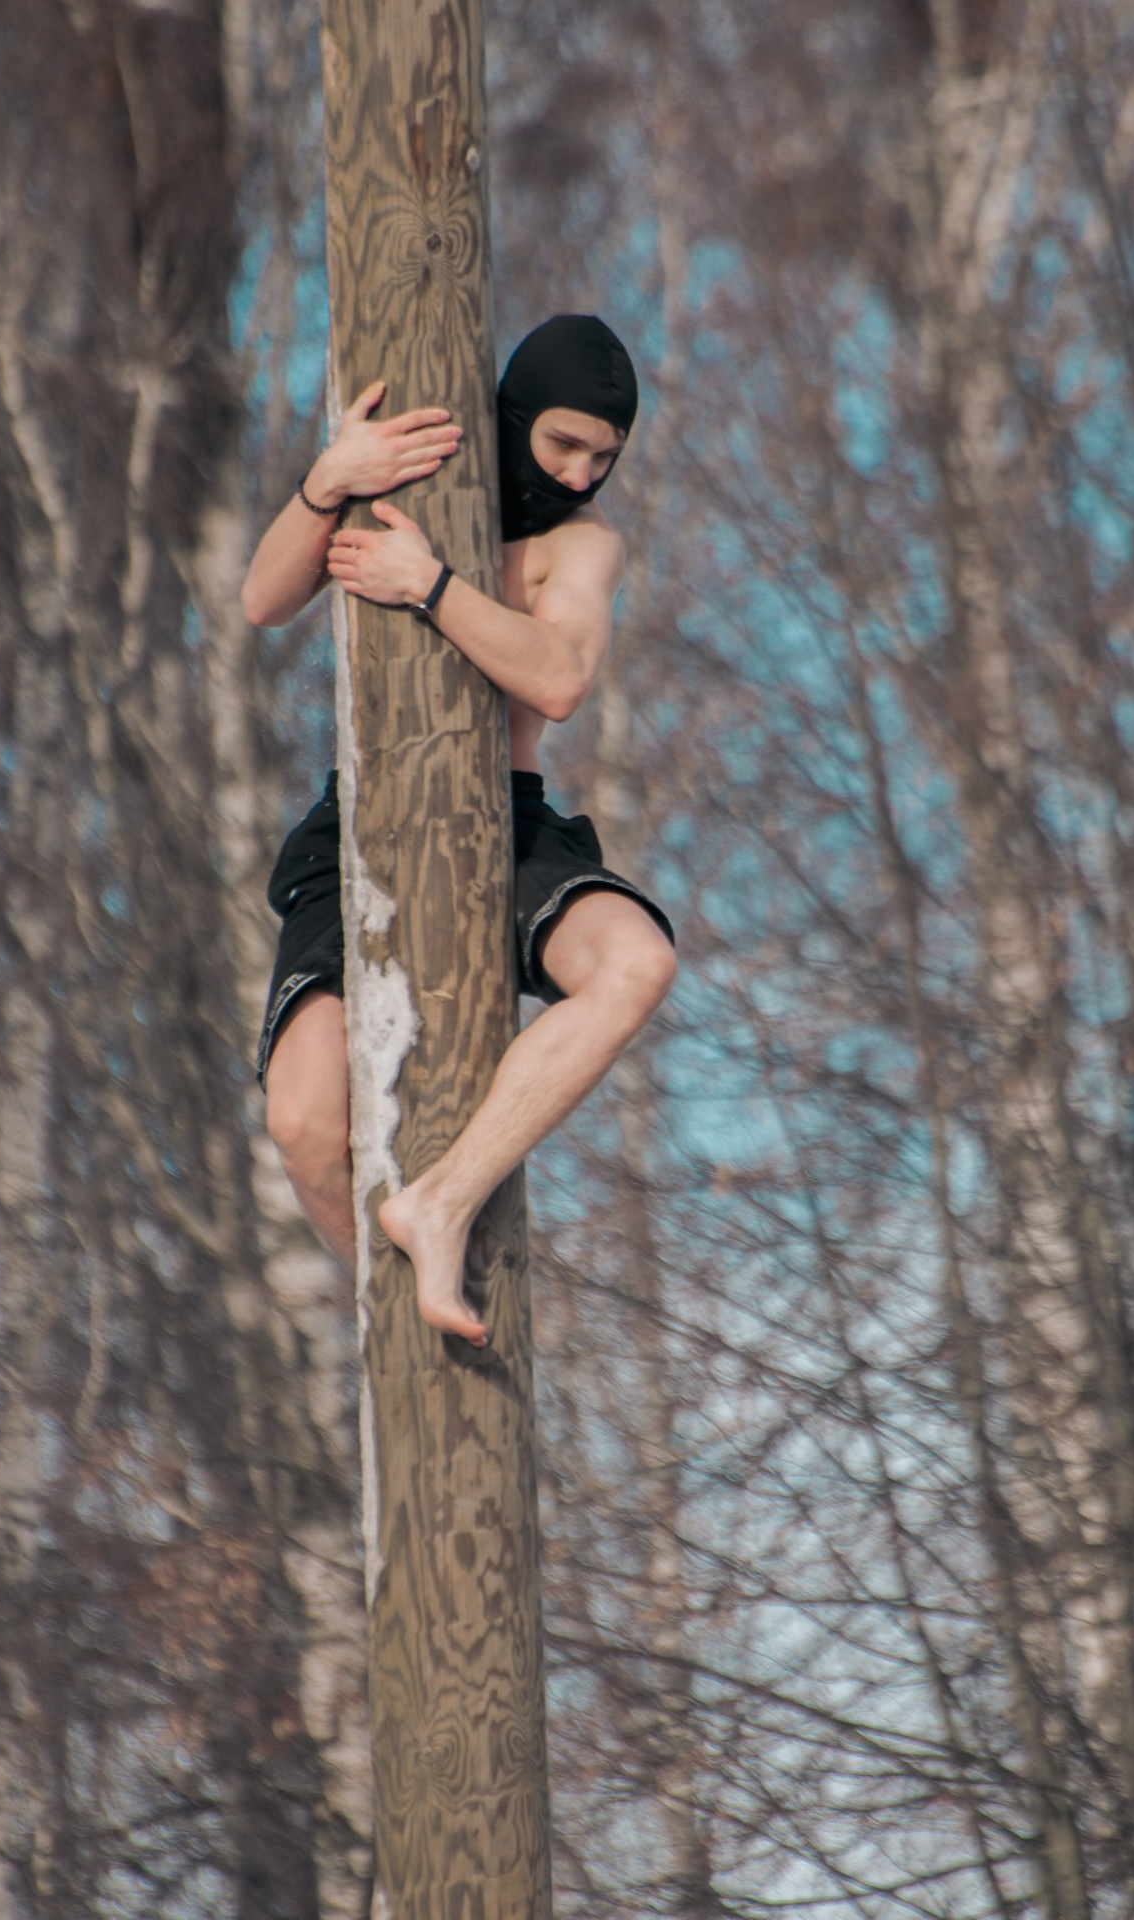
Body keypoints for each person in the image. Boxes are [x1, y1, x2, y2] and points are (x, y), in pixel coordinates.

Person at [240, 315, 676, 1347]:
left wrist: (430, 587)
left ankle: (441, 1201)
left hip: (507, 815)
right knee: (302, 1122)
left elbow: (561, 678)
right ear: (517, 413)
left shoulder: (582, 543)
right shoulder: (412, 474)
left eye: (604, 457)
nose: (579, 474)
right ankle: (391, 1326)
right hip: (364, 815)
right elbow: (263, 601)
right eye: (563, 442)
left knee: (636, 964)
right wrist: (329, 479)